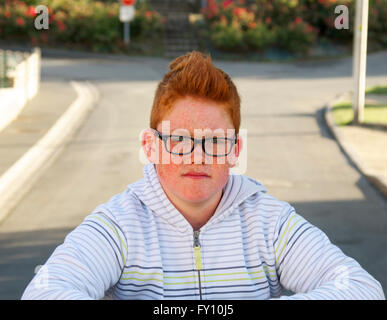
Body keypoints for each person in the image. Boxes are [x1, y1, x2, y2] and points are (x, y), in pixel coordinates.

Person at [22, 51, 384, 300]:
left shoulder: (269, 223)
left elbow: (360, 288)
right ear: (150, 146)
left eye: (215, 141)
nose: (197, 155)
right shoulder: (119, 225)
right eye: (179, 140)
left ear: (236, 151)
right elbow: (45, 290)